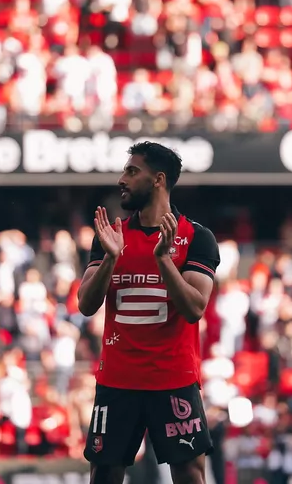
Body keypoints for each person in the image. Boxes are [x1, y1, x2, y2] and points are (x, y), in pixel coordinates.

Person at [78, 142, 221, 484]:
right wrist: (110, 259)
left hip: (173, 379)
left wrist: (163, 260)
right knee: (104, 474)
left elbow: (194, 309)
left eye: (132, 171)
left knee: (189, 475)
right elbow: (86, 304)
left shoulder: (197, 237)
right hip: (117, 379)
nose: (121, 179)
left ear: (158, 180)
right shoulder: (111, 237)